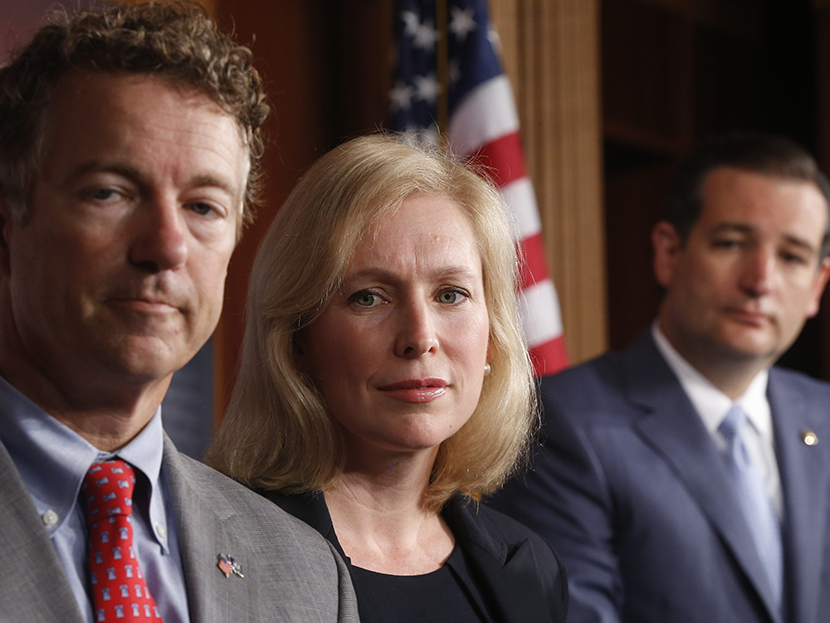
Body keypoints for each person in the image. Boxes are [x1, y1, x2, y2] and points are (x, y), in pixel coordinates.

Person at [0, 3, 358, 622]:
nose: (166, 246)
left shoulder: (306, 575)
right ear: (7, 221)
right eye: (111, 192)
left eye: (203, 207)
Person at [207, 134, 568, 623]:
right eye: (369, 297)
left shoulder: (530, 568)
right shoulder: (214, 546)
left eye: (450, 295)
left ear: (493, 337)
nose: (420, 338)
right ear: (297, 338)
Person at [491, 132, 830, 623]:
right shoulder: (560, 423)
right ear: (669, 252)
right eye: (732, 243)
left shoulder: (824, 415)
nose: (761, 282)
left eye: (792, 257)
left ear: (817, 286)